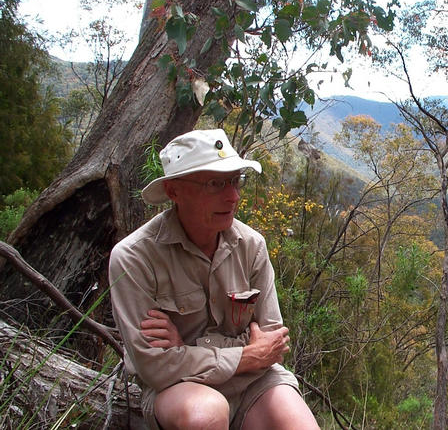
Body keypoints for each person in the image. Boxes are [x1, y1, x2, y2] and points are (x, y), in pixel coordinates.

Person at [108, 129, 319, 429]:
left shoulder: (251, 245)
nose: (233, 196)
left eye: (235, 181)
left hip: (253, 382)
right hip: (177, 389)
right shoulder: (134, 258)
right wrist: (245, 353)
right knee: (205, 416)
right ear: (173, 191)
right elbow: (154, 367)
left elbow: (272, 345)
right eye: (215, 184)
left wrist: (188, 349)